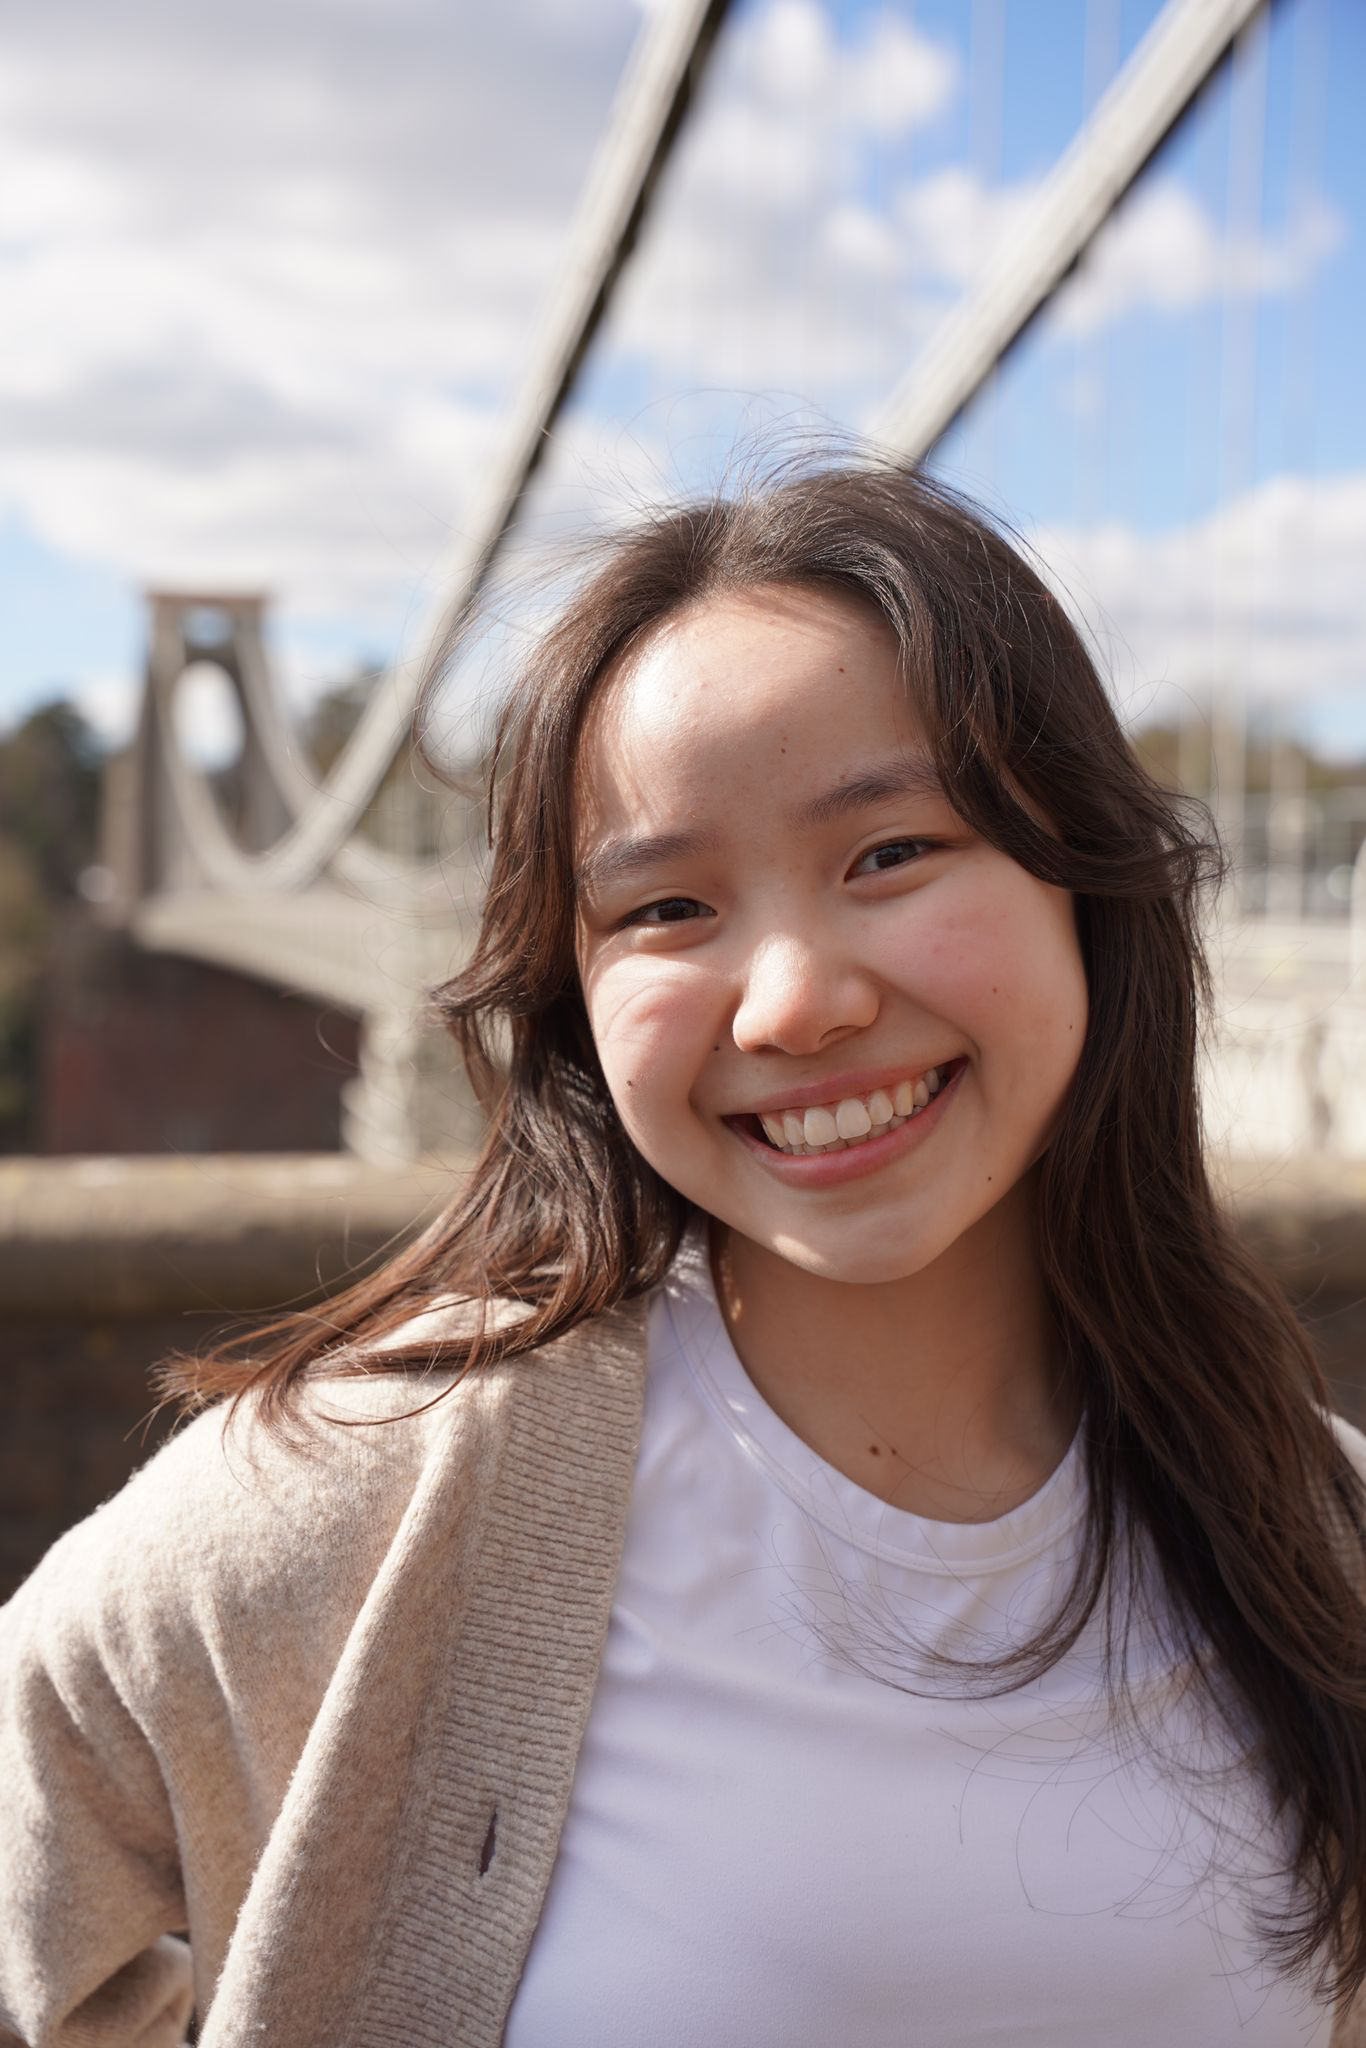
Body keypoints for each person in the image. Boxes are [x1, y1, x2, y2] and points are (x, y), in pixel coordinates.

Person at [3, 454, 1365, 2048]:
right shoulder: (373, 1506)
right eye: (663, 909)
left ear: (1085, 889)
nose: (793, 1002)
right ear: (572, 992)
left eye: (890, 854)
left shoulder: (1314, 1537)